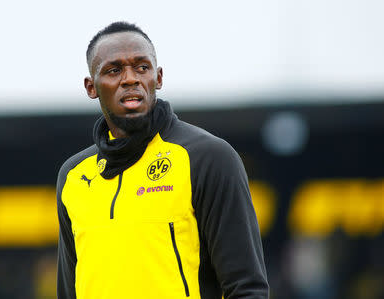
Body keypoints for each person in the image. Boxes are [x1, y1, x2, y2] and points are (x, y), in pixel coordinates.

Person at [56, 21, 269, 299]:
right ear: (91, 87)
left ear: (158, 78)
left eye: (141, 67)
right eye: (114, 70)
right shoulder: (73, 176)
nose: (130, 78)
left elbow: (247, 288)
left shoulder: (208, 158)